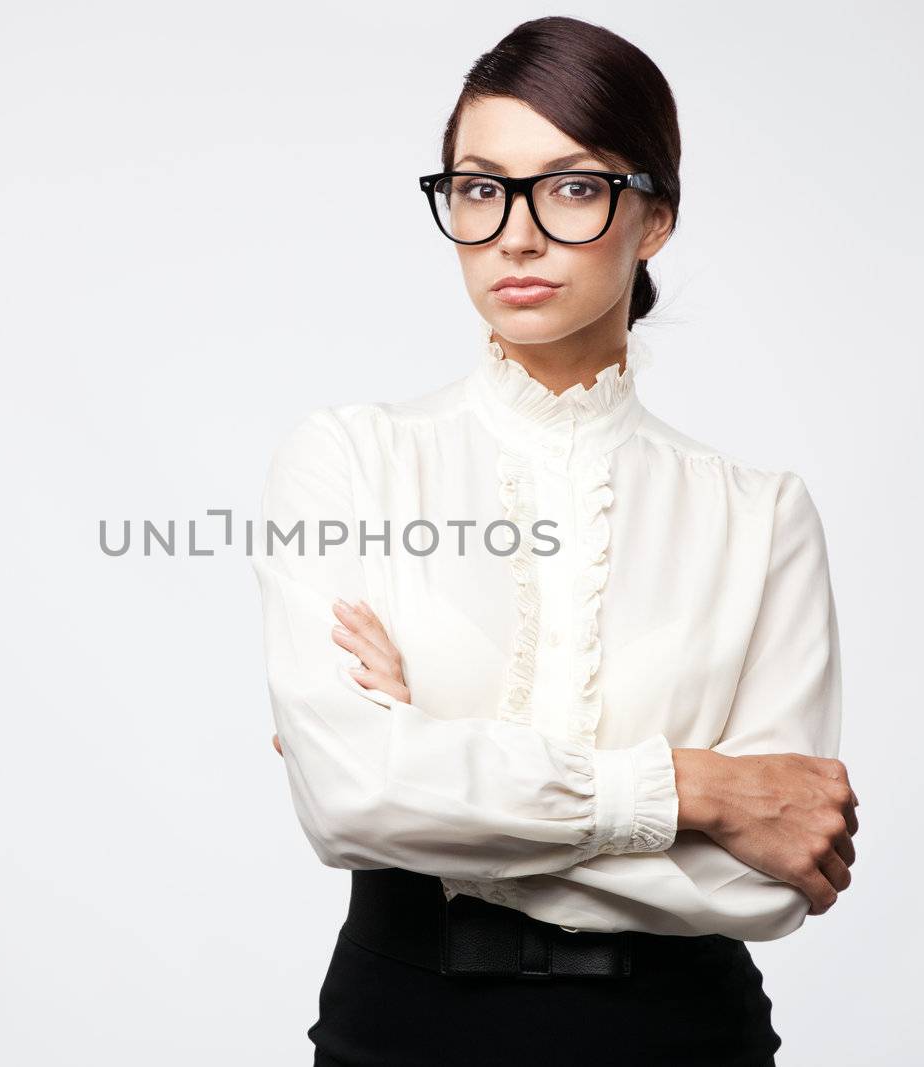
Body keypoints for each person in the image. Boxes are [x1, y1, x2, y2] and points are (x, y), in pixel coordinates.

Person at [249, 17, 859, 1066]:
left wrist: (438, 780)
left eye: (572, 187)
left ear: (653, 216)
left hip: (683, 1037)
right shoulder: (350, 463)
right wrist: (698, 789)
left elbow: (763, 877)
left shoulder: (758, 514)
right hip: (402, 1029)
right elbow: (351, 796)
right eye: (480, 188)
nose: (515, 234)